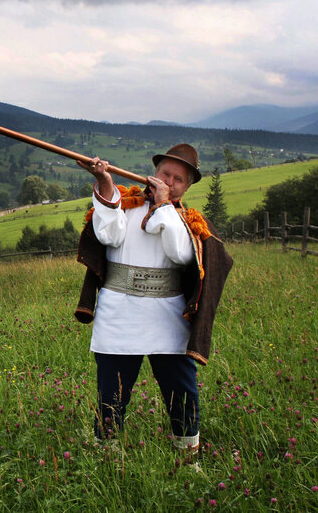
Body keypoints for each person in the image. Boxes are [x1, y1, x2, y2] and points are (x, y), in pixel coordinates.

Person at [74, 143, 233, 456]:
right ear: (154, 172)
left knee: (182, 394)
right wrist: (105, 182)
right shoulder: (126, 206)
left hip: (167, 321)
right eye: (165, 173)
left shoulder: (189, 222)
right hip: (119, 319)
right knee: (111, 395)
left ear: (186, 187)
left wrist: (163, 207)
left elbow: (180, 252)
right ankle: (108, 458)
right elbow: (108, 235)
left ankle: (189, 460)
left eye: (177, 179)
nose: (169, 181)